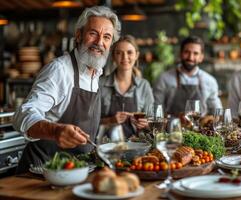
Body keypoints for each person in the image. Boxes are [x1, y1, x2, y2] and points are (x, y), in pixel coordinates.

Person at [13, 6, 121, 173]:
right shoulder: (60, 70)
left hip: (76, 171)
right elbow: (23, 114)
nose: (100, 42)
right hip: (41, 173)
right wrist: (55, 131)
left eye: (106, 37)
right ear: (78, 35)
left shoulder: (96, 73)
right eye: (93, 33)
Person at [100, 35, 154, 139]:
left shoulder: (144, 86)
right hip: (105, 146)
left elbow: (152, 122)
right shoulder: (100, 84)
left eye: (129, 52)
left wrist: (145, 124)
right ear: (113, 56)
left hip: (137, 146)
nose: (125, 57)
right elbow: (90, 122)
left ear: (136, 55)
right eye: (119, 53)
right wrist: (110, 120)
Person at [153, 36, 222, 117]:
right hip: (171, 128)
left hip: (201, 129)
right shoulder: (164, 79)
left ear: (201, 57)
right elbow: (156, 111)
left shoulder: (210, 81)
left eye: (195, 53)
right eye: (187, 52)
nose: (190, 57)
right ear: (180, 54)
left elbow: (217, 112)